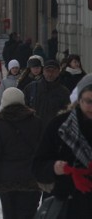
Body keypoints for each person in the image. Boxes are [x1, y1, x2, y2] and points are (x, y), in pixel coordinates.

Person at [32, 74, 92, 217]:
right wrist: (54, 168)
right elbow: (37, 166)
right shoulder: (60, 126)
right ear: (79, 100)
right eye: (89, 101)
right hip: (67, 207)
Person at [0, 87, 43, 219]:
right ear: (23, 101)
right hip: (31, 177)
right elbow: (42, 149)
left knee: (10, 214)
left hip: (6, 179)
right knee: (29, 214)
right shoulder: (36, 122)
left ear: (4, 102)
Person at [23, 59, 71, 130]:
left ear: (58, 72)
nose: (50, 74)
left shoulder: (64, 92)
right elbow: (24, 108)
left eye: (53, 71)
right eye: (48, 71)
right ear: (43, 71)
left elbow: (67, 113)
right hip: (34, 130)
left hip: (54, 131)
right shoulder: (31, 88)